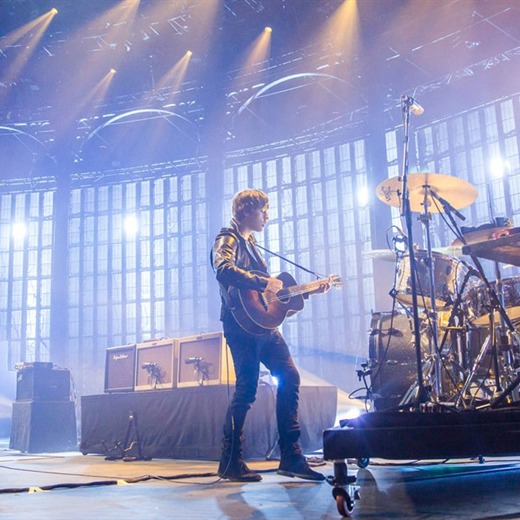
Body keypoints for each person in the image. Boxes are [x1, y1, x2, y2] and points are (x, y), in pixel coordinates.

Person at [211, 188, 329, 482]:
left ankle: (291, 456)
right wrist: (264, 282)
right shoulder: (228, 238)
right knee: (247, 390)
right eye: (263, 210)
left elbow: (274, 298)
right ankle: (230, 461)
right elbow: (224, 269)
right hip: (241, 328)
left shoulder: (252, 244)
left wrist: (309, 290)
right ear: (246, 211)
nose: (267, 215)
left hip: (265, 327)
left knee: (290, 377)